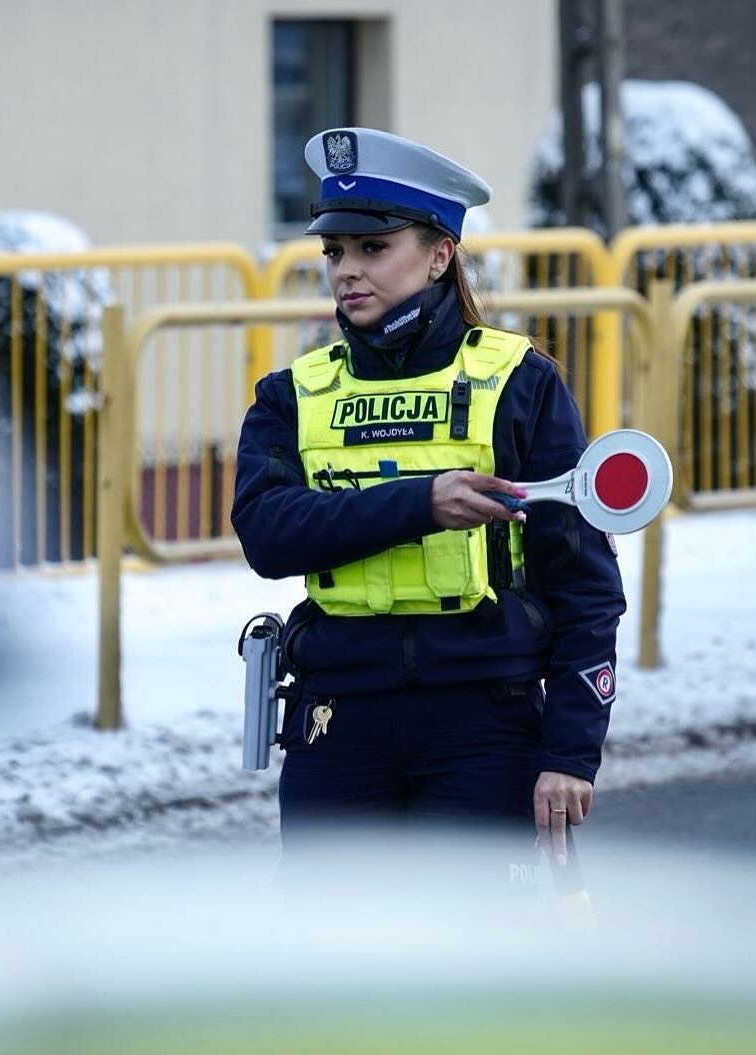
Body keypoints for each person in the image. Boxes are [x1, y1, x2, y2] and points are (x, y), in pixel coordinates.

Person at [232, 128, 625, 871]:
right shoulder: (293, 394)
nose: (346, 271)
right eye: (334, 252)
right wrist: (421, 503)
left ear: (440, 253)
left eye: (372, 249)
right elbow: (267, 534)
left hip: (484, 723)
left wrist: (571, 751)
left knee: (467, 970)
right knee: (336, 968)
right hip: (335, 721)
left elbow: (584, 584)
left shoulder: (522, 381)